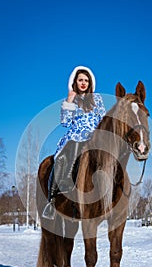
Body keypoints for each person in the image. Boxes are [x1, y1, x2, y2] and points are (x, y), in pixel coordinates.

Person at [43, 66, 106, 219]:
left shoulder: (97, 98)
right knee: (62, 158)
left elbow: (103, 119)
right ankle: (52, 200)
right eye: (80, 80)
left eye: (86, 80)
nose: (83, 83)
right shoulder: (71, 99)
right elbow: (65, 123)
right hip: (75, 137)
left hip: (94, 137)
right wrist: (69, 102)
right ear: (75, 82)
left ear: (90, 82)